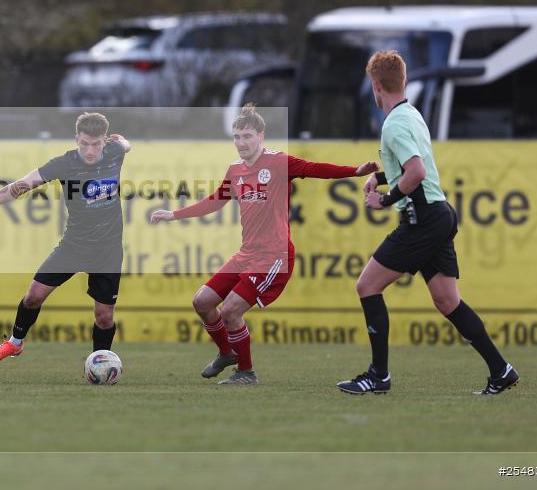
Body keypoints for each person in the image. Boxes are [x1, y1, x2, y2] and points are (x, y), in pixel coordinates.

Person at [151, 105, 379, 385]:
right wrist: (174, 214)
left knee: (231, 310)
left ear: (260, 136)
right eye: (236, 137)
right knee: (202, 301)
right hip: (247, 253)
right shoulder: (235, 169)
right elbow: (216, 201)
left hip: (274, 255)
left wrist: (355, 171)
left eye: (247, 136)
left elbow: (314, 168)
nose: (241, 143)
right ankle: (226, 353)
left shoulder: (278, 161)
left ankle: (246, 372)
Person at [337, 50, 519, 395]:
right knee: (447, 301)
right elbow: (415, 170)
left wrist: (385, 199)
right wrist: (384, 178)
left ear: (376, 86)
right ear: (403, 81)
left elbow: (417, 172)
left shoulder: (393, 124)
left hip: (421, 219)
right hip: (439, 213)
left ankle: (378, 376)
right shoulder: (412, 115)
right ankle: (501, 370)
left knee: (367, 286)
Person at [0, 112, 130, 362]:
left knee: (104, 316)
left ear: (105, 141)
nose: (89, 150)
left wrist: (125, 143)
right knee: (33, 297)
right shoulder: (65, 163)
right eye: (84, 143)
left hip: (108, 250)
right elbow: (23, 184)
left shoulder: (114, 152)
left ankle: (100, 362)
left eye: (95, 144)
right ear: (76, 139)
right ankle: (15, 343)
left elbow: (125, 145)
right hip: (74, 245)